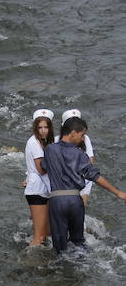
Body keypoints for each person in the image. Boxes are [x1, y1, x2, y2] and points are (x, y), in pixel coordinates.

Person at [39, 117, 126, 254]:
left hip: (57, 201)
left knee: (60, 246)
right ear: (73, 133)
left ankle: (61, 271)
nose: (83, 138)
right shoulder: (80, 154)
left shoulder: (50, 150)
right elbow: (96, 177)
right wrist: (118, 193)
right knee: (78, 242)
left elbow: (43, 167)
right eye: (82, 134)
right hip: (75, 201)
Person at [23, 109, 54, 246]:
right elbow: (41, 169)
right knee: (40, 236)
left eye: (46, 127)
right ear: (35, 128)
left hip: (42, 190)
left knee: (47, 233)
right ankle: (29, 262)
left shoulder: (44, 142)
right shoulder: (34, 142)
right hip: (37, 191)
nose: (43, 131)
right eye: (40, 127)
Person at [61, 107, 96, 207]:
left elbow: (90, 160)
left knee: (81, 205)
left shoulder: (85, 139)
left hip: (82, 177)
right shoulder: (56, 141)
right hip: (64, 181)